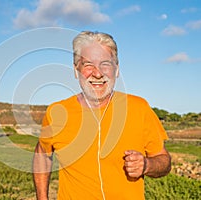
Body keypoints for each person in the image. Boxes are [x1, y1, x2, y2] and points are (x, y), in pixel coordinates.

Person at [32, 31, 171, 200]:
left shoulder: (139, 108)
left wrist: (147, 165)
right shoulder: (56, 112)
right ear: (76, 70)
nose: (97, 73)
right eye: (88, 65)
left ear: (117, 70)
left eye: (105, 64)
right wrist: (42, 198)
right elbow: (42, 154)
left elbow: (164, 161)